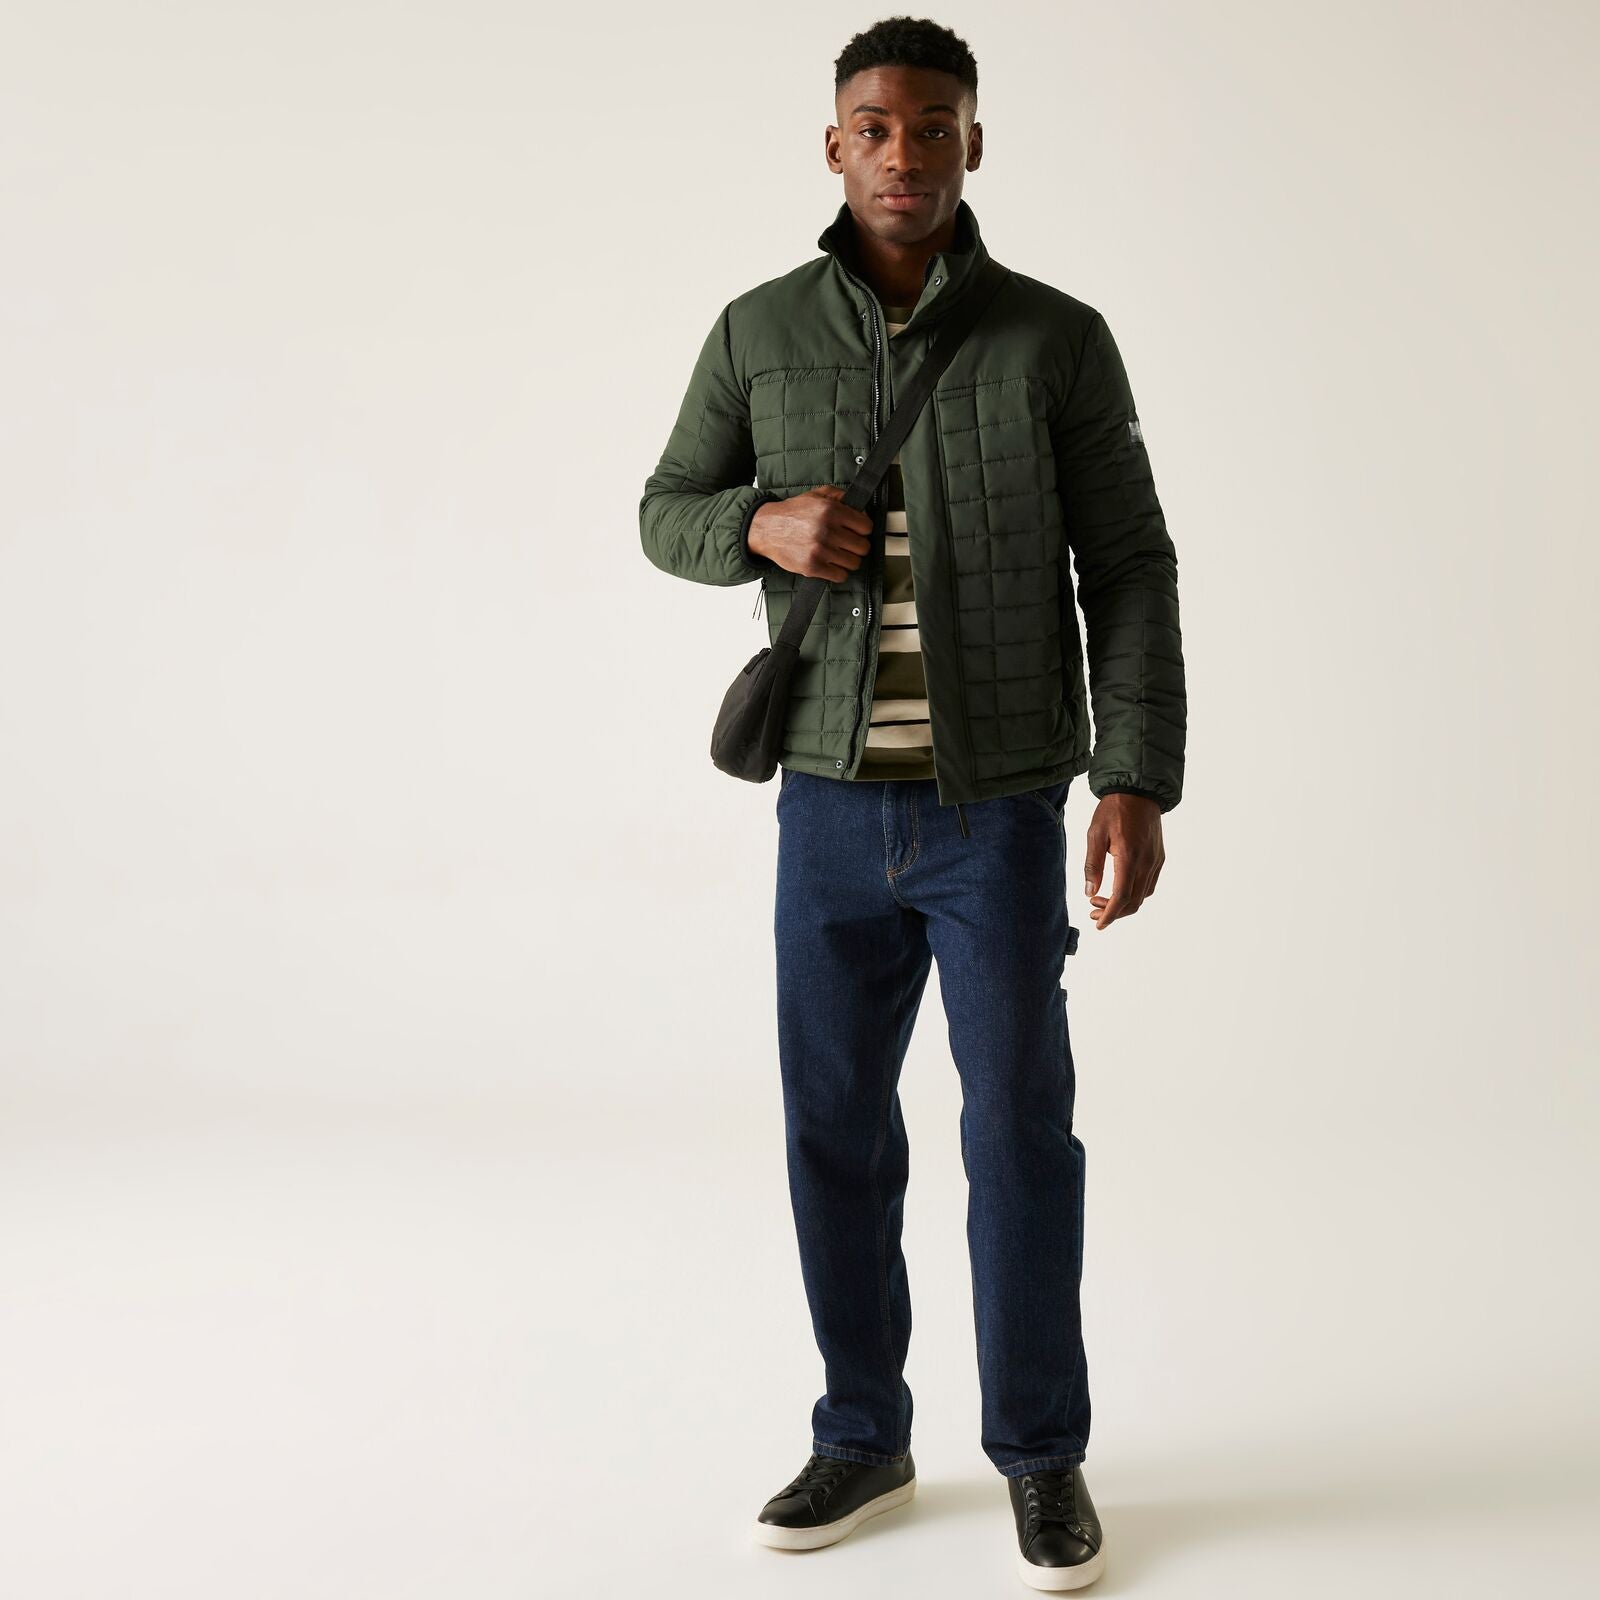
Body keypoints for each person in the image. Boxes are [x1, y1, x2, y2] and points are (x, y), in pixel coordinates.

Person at [638, 16, 1186, 1592]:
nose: (903, 152)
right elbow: (664, 510)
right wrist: (761, 524)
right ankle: (863, 1434)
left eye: (933, 125)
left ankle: (1042, 1457)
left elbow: (1129, 563)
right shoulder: (757, 331)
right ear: (835, 146)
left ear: (973, 143)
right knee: (832, 1131)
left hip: (996, 811)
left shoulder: (1055, 338)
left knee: (1018, 1134)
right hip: (825, 812)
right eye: (874, 126)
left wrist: (1133, 774)